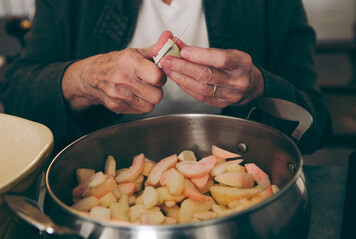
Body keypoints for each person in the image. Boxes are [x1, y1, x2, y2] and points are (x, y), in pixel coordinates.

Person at [2, 0, 332, 155]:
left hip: (235, 187)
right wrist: (84, 79)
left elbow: (315, 127)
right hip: (97, 187)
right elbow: (15, 92)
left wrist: (257, 88)